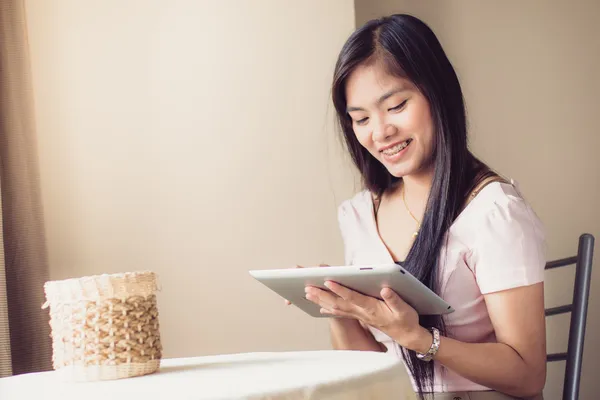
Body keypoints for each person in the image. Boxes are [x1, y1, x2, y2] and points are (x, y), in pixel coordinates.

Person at [296, 14, 547, 400]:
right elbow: (371, 375)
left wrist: (417, 337)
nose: (379, 133)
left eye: (395, 106)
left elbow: (529, 376)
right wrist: (340, 308)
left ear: (437, 94)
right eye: (360, 119)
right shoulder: (361, 214)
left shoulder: (493, 212)